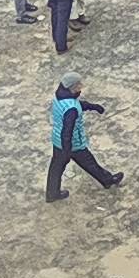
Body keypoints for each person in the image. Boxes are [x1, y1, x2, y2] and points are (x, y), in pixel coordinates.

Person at [46, 72, 123, 201]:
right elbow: (67, 131)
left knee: (56, 168)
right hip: (73, 144)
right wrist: (67, 150)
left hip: (57, 141)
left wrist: (92, 106)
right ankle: (108, 180)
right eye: (78, 85)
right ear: (72, 87)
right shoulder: (71, 110)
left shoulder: (60, 98)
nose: (81, 86)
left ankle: (52, 194)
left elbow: (76, 104)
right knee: (90, 163)